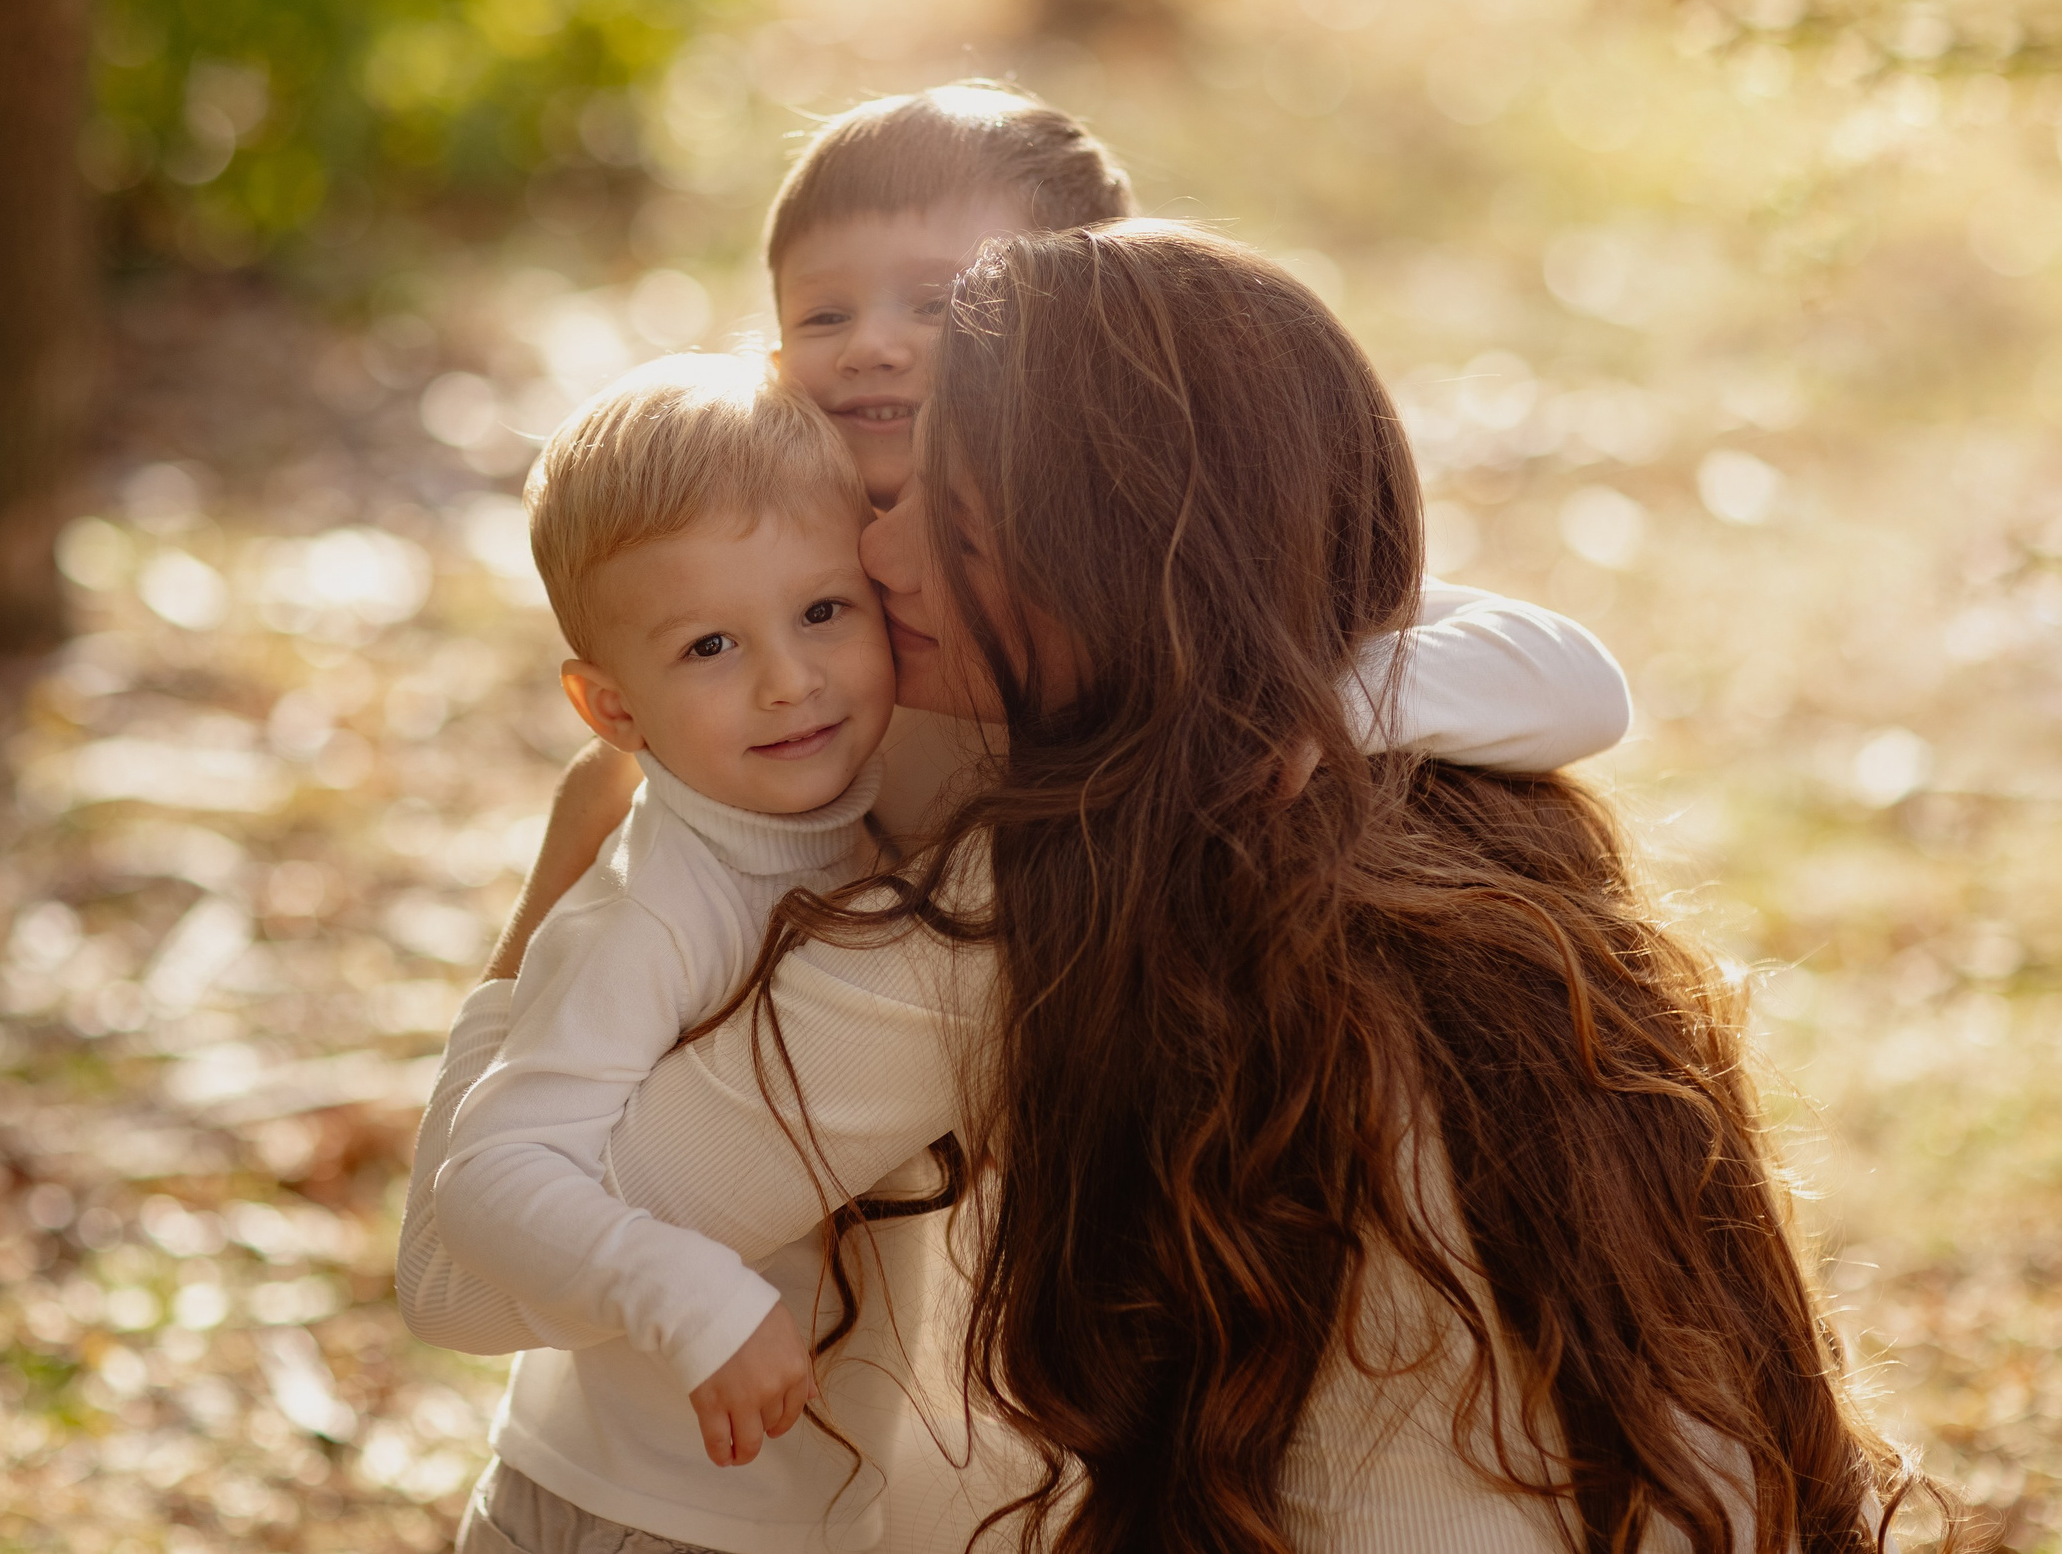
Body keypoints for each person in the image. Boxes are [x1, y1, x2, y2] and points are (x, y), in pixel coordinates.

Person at [477, 220, 1942, 1552]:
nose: (878, 547)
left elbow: (479, 1255)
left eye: (958, 526)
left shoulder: (1040, 894)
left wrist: (554, 916)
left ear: (1111, 578)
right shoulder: (1466, 784)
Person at [485, 81, 1633, 979]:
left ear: (1092, 332)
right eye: (825, 312)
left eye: (941, 306)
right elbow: (586, 888)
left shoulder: (1161, 572)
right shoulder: (773, 589)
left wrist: (1308, 708)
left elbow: (1575, 682)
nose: (874, 344)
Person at [405, 353, 908, 1554]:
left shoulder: (861, 805)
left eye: (823, 612)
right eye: (708, 649)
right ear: (611, 712)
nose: (791, 681)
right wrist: (697, 1303)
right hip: (635, 1507)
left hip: (780, 1501)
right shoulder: (657, 909)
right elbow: (487, 1181)